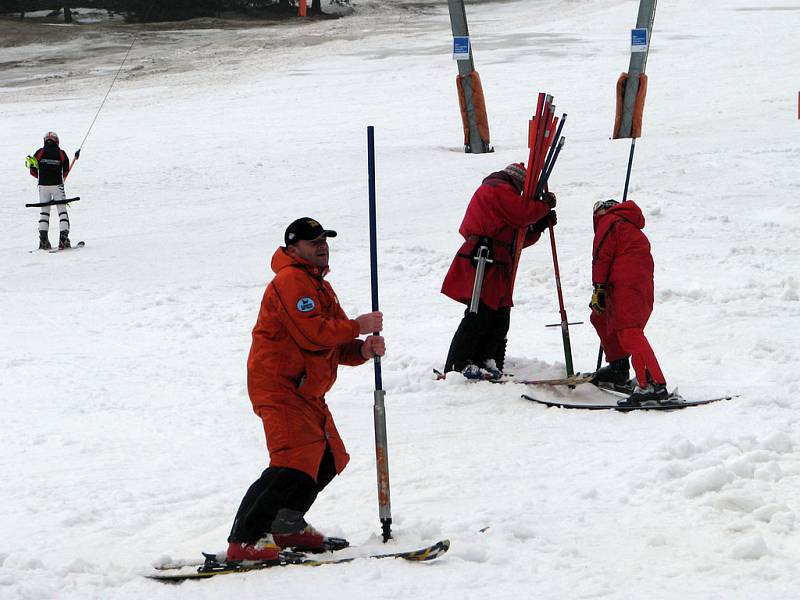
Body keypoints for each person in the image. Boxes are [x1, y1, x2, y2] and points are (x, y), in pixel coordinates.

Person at [226, 217, 386, 562]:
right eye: (313, 241)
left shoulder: (319, 286)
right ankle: (245, 540)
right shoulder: (291, 281)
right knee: (292, 461)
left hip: (306, 391)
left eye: (324, 239)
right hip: (280, 386)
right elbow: (314, 333)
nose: (322, 245)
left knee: (328, 457)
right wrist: (358, 326)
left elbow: (332, 340)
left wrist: (361, 349)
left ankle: (286, 525)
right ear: (293, 248)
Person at [441, 162, 557, 380]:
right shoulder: (497, 188)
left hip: (497, 261)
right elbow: (522, 214)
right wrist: (542, 208)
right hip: (483, 259)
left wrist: (538, 226)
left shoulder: (503, 195)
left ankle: (486, 358)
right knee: (479, 313)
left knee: (498, 316)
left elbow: (515, 237)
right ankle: (458, 363)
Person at [589, 199, 669, 406]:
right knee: (602, 319)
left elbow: (601, 258)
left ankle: (653, 384)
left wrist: (598, 287)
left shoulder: (610, 221)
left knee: (630, 332)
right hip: (635, 285)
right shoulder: (627, 225)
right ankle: (622, 369)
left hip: (625, 285)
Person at [27, 132, 76, 249]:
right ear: (56, 141)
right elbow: (65, 172)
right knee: (62, 212)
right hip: (57, 186)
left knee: (44, 213)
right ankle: (63, 239)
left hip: (43, 186)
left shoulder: (39, 152)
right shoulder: (61, 153)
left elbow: (32, 170)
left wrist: (41, 178)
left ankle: (43, 240)